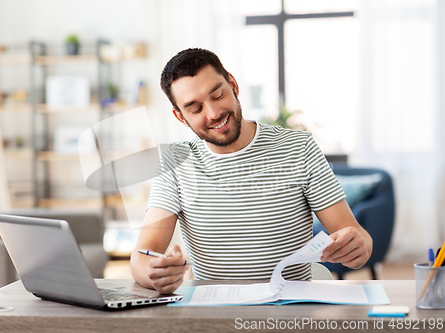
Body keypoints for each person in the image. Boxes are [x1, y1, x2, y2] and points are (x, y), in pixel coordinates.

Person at [131, 48, 372, 294]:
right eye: (195, 109)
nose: (213, 114)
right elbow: (141, 256)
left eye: (217, 94)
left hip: (292, 311)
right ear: (181, 117)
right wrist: (154, 273)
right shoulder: (175, 163)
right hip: (215, 314)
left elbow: (356, 235)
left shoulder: (299, 148)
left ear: (233, 84)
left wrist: (357, 247)